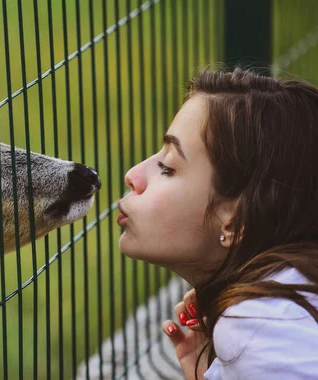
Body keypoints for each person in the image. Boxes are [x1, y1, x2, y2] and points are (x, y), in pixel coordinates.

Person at [117, 68, 318, 379]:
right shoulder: (285, 299)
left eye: (168, 167)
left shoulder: (256, 326)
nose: (132, 175)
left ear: (235, 221)